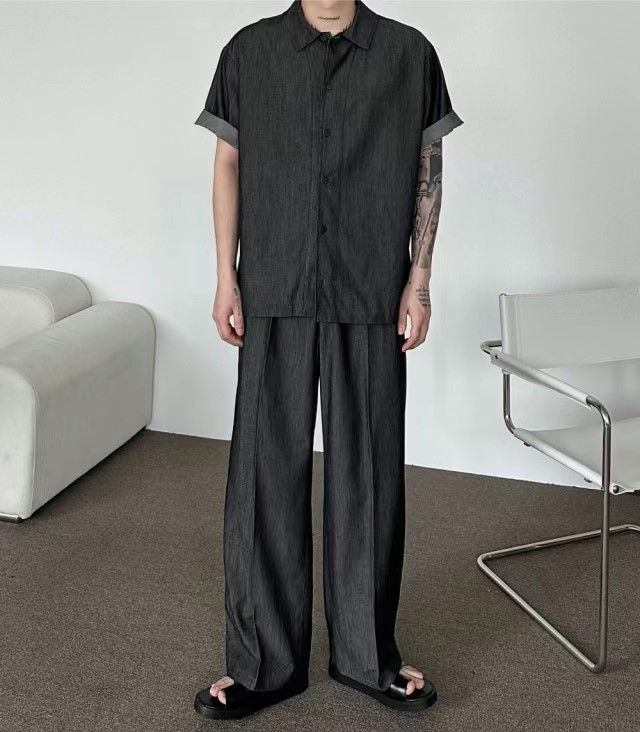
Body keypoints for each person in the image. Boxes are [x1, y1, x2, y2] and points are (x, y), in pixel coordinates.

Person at [193, 0, 463, 720]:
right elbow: (228, 162)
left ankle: (367, 657)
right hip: (273, 284)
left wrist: (419, 279)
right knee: (263, 476)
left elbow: (429, 169)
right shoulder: (249, 52)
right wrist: (225, 276)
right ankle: (263, 665)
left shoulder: (409, 54)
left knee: (368, 476)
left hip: (369, 288)